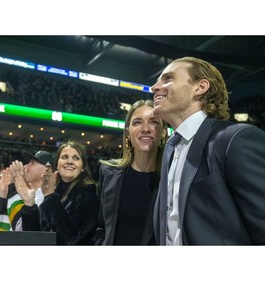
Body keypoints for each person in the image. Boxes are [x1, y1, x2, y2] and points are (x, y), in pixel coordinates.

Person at [151, 56, 265, 245]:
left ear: (200, 87)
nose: (155, 87)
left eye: (168, 78)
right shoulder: (170, 150)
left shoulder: (235, 139)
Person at [95, 99, 167, 245]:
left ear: (164, 132)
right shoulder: (109, 173)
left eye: (153, 122)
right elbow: (101, 226)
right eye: (137, 122)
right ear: (128, 132)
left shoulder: (172, 178)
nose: (145, 128)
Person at [16, 141, 100, 245]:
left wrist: (50, 197)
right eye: (64, 157)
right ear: (57, 165)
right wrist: (29, 205)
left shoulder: (90, 193)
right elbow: (36, 238)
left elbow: (75, 240)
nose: (69, 161)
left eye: (76, 158)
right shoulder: (54, 192)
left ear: (83, 167)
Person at [0, 150, 54, 231]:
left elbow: (20, 229)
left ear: (46, 171)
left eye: (32, 163)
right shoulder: (25, 194)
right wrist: (3, 195)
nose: (25, 166)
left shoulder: (46, 199)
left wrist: (14, 185)